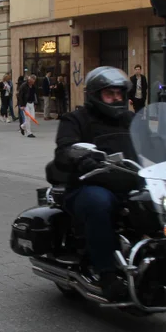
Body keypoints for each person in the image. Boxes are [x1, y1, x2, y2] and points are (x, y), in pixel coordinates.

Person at [54, 67, 138, 302]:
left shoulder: (130, 119)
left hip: (130, 181)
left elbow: (153, 141)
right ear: (94, 95)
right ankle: (107, 273)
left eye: (119, 94)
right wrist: (80, 157)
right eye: (110, 94)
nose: (116, 99)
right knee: (98, 202)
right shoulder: (76, 119)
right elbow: (64, 149)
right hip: (89, 184)